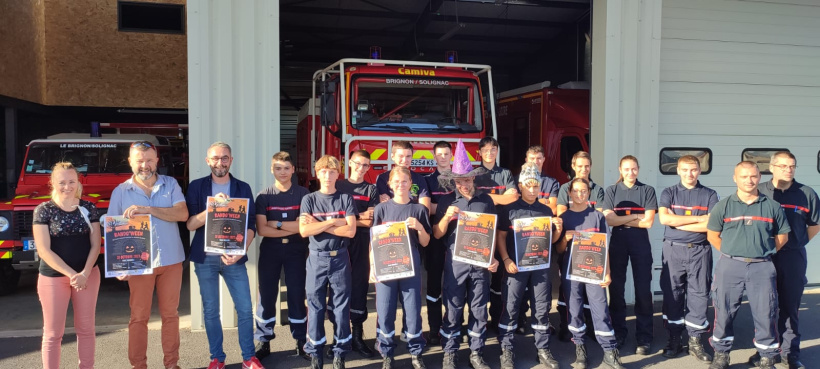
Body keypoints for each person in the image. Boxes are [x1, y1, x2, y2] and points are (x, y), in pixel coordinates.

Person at [108, 140, 189, 369]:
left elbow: (182, 214)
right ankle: (138, 365)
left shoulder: (170, 184)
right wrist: (118, 266)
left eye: (149, 160)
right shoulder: (121, 191)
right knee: (139, 317)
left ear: (157, 161)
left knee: (171, 316)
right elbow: (112, 228)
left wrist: (148, 210)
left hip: (171, 260)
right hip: (138, 264)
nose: (145, 165)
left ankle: (172, 364)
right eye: (140, 161)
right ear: (131, 162)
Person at [185, 142, 263, 369]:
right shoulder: (197, 187)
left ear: (231, 160)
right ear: (208, 161)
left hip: (234, 258)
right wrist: (211, 208)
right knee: (211, 310)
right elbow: (190, 224)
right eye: (216, 158)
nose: (220, 162)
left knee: (245, 308)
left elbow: (250, 226)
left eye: (225, 158)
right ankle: (217, 358)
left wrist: (241, 251)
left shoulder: (243, 188)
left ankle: (249, 357)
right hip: (206, 257)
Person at [706, 161, 790, 369]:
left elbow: (782, 237)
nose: (749, 180)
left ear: (759, 178)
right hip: (730, 265)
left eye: (753, 176)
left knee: (766, 311)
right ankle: (721, 353)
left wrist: (761, 253)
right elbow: (713, 235)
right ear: (735, 178)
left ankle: (767, 355)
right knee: (723, 310)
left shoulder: (772, 206)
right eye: (743, 176)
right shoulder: (724, 205)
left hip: (762, 267)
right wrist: (733, 253)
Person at [433, 140, 499, 369]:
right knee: (453, 307)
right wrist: (445, 217)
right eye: (459, 181)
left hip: (480, 264)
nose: (464, 184)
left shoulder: (486, 200)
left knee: (480, 308)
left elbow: (492, 233)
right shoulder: (446, 200)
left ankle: (476, 352)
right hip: (456, 264)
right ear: (454, 182)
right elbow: (437, 234)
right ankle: (450, 351)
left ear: (474, 178)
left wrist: (493, 258)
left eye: (467, 179)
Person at [752, 151, 818, 369]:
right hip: (763, 257)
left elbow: (814, 225)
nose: (788, 170)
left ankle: (790, 353)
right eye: (782, 166)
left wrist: (796, 242)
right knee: (764, 307)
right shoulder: (759, 191)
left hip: (792, 257)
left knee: (790, 306)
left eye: (792, 166)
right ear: (771, 168)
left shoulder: (806, 193)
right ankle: (765, 351)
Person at [33, 162, 101, 369]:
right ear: (52, 182)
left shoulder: (89, 208)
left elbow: (96, 244)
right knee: (53, 333)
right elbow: (44, 250)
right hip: (53, 278)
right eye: (62, 182)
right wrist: (74, 275)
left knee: (86, 329)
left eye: (72, 181)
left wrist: (85, 273)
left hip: (88, 275)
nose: (67, 186)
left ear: (78, 182)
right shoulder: (43, 210)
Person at [496, 163, 562, 369]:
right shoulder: (510, 209)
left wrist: (558, 230)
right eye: (528, 186)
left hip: (540, 267)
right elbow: (500, 236)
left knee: (541, 308)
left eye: (536, 186)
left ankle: (542, 349)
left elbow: (550, 241)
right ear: (521, 185)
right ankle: (506, 349)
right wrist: (506, 260)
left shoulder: (545, 210)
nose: (532, 190)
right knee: (510, 307)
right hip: (516, 267)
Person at [557, 178, 625, 369]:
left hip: (595, 272)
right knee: (575, 309)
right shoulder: (564, 217)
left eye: (584, 191)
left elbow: (605, 248)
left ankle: (610, 352)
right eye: (576, 191)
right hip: (572, 272)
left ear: (589, 193)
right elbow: (559, 250)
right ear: (570, 193)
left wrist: (607, 273)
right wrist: (565, 239)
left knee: (600, 309)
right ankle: (580, 350)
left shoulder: (598, 217)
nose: (580, 194)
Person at [657, 155, 718, 361]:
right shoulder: (669, 193)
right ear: (678, 171)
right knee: (672, 293)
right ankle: (674, 338)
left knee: (699, 294)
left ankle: (695, 341)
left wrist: (679, 223)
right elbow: (665, 219)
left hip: (700, 250)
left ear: (700, 170)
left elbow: (711, 225)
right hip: (673, 250)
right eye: (685, 170)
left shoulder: (709, 194)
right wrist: (698, 218)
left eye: (693, 169)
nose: (689, 174)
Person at [299, 155, 357, 369]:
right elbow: (304, 231)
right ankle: (315, 351)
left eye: (332, 171)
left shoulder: (345, 198)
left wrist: (321, 224)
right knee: (315, 305)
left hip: (340, 257)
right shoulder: (309, 199)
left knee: (341, 306)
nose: (328, 175)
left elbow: (350, 231)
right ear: (317, 172)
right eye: (323, 171)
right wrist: (334, 221)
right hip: (316, 258)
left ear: (338, 174)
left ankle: (340, 351)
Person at [253, 151, 311, 360]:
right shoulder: (263, 196)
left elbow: (305, 226)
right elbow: (262, 230)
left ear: (293, 169)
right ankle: (264, 340)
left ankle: (300, 340)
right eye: (278, 168)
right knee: (267, 296)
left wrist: (276, 223)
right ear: (272, 170)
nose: (283, 172)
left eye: (287, 168)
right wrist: (293, 227)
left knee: (297, 294)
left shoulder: (304, 194)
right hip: (271, 250)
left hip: (297, 250)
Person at [372, 166, 431, 369]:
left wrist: (420, 227)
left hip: (410, 266)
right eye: (396, 182)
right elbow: (374, 242)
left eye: (404, 181)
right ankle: (387, 353)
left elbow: (425, 242)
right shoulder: (381, 209)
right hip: (385, 267)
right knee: (385, 310)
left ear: (411, 184)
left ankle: (416, 352)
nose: (400, 185)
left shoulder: (419, 209)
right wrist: (372, 267)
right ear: (389, 184)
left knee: (413, 310)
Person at [601, 155, 657, 354]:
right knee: (616, 290)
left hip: (640, 243)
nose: (630, 173)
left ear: (638, 170)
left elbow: (648, 222)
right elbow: (609, 221)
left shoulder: (647, 190)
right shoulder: (612, 191)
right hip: (618, 243)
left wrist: (621, 218)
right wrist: (635, 215)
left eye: (634, 169)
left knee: (643, 292)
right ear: (620, 170)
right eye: (626, 169)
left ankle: (644, 337)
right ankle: (619, 332)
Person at [555, 151, 604, 342]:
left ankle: (590, 326)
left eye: (587, 166)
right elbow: (562, 214)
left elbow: (598, 217)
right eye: (580, 166)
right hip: (569, 249)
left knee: (590, 290)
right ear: (573, 166)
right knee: (568, 292)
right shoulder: (564, 188)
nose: (583, 169)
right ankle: (566, 326)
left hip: (590, 250)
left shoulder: (597, 189)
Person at [334, 149, 378, 358]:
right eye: (357, 164)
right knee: (339, 288)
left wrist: (348, 218)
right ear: (349, 163)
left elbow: (371, 221)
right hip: (339, 241)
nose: (361, 169)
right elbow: (332, 215)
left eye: (365, 165)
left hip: (362, 242)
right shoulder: (338, 185)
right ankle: (339, 335)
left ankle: (358, 336)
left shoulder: (371, 189)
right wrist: (357, 217)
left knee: (359, 288)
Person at [474, 136, 518, 331]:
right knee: (479, 277)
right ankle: (478, 322)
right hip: (480, 230)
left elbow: (513, 197)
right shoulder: (473, 174)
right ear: (480, 152)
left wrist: (486, 198)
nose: (490, 153)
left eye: (493, 149)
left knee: (500, 277)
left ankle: (497, 319)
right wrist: (501, 198)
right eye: (486, 150)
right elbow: (473, 198)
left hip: (502, 230)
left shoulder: (505, 173)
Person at [423, 141, 454, 345]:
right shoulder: (427, 180)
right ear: (434, 156)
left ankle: (453, 325)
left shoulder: (461, 178)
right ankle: (434, 328)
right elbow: (427, 209)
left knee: (457, 285)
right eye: (439, 154)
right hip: (435, 238)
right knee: (434, 285)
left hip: (459, 238)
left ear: (451, 155)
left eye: (446, 153)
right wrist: (451, 209)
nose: (443, 157)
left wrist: (438, 207)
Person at [376, 141, 431, 211]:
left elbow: (425, 209)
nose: (405, 160)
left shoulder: (419, 179)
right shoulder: (383, 178)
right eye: (401, 156)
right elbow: (385, 207)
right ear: (392, 156)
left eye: (408, 156)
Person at [524, 145, 560, 214]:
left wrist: (530, 204)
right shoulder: (518, 181)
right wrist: (545, 201)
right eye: (532, 158)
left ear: (544, 159)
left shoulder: (552, 182)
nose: (536, 161)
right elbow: (516, 206)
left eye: (539, 158)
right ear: (526, 160)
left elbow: (554, 210)